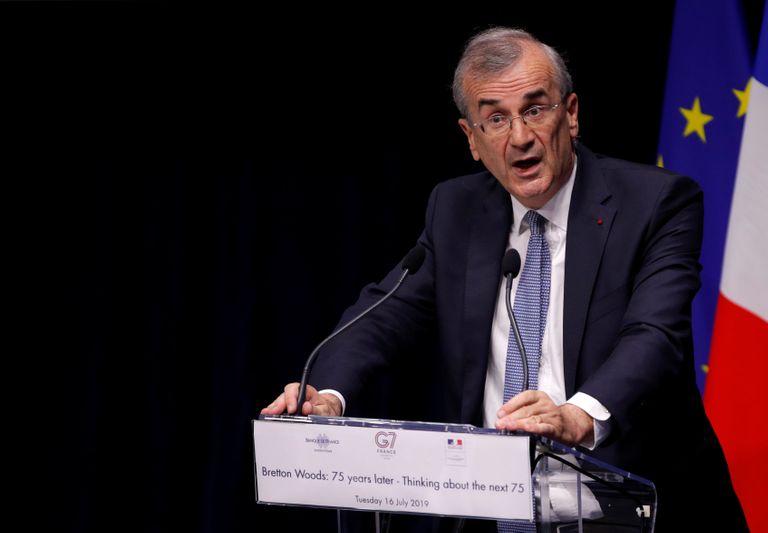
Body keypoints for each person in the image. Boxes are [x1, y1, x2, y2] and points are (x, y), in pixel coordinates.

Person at [261, 27, 747, 532]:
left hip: (638, 509)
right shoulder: (456, 211)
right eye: (496, 118)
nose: (519, 136)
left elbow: (655, 337)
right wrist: (327, 395)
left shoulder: (655, 203)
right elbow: (384, 315)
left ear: (572, 113)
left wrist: (575, 416)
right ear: (472, 140)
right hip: (495, 512)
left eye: (536, 109)